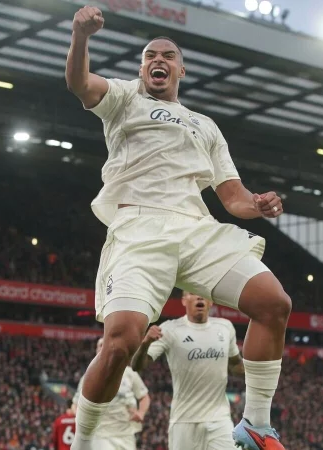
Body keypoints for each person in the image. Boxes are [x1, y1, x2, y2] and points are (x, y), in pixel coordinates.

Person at [65, 6, 291, 449]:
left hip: (195, 229)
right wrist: (80, 36)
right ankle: (83, 441)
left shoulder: (205, 126)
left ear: (180, 69)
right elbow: (78, 82)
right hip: (139, 229)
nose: (158, 60)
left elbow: (232, 198)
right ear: (142, 67)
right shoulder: (126, 98)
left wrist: (258, 204)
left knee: (274, 303)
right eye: (150, 55)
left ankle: (255, 425)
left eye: (167, 55)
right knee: (120, 343)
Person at [131, 291, 244, 450]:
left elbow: (235, 366)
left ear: (211, 301)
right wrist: (145, 343)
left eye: (204, 293)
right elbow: (137, 366)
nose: (199, 297)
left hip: (219, 420)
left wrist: (263, 370)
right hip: (184, 421)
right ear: (184, 300)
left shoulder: (225, 327)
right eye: (192, 293)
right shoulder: (170, 329)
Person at [73, 338, 151, 450]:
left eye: (105, 345)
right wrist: (85, 423)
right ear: (96, 350)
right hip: (101, 435)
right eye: (100, 345)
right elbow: (75, 405)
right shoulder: (88, 376)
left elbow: (144, 396)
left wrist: (141, 413)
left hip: (126, 434)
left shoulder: (128, 373)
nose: (102, 347)